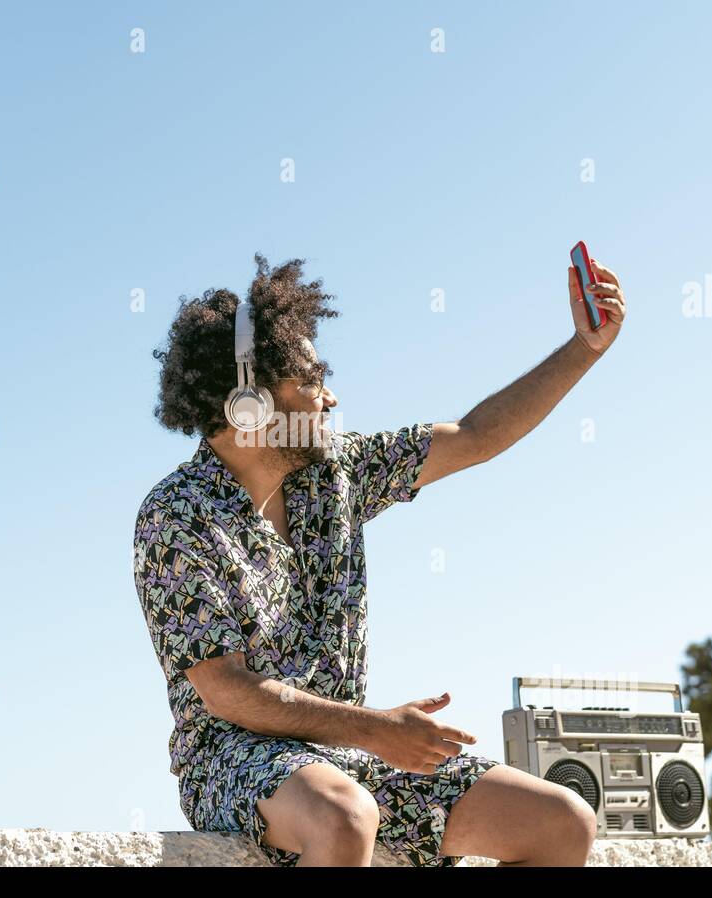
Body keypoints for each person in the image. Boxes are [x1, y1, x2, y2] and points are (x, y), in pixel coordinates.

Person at [132, 252, 627, 866]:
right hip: (234, 754)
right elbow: (226, 692)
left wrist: (585, 348)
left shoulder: (340, 472)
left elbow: (474, 437)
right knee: (345, 817)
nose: (331, 398)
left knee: (563, 822)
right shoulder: (176, 516)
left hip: (349, 754)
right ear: (251, 405)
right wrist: (377, 729)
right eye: (313, 381)